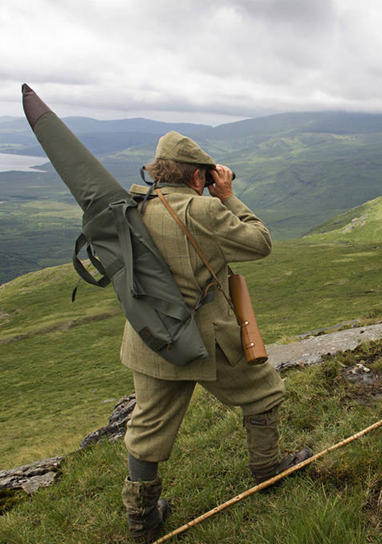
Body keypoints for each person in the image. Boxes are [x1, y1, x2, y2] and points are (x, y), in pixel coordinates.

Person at [119, 131, 311, 543]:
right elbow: (260, 243)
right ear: (196, 177)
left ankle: (142, 520)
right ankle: (269, 469)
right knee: (263, 394)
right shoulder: (203, 209)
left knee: (148, 427)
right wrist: (226, 195)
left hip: (153, 336)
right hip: (207, 338)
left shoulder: (135, 206)